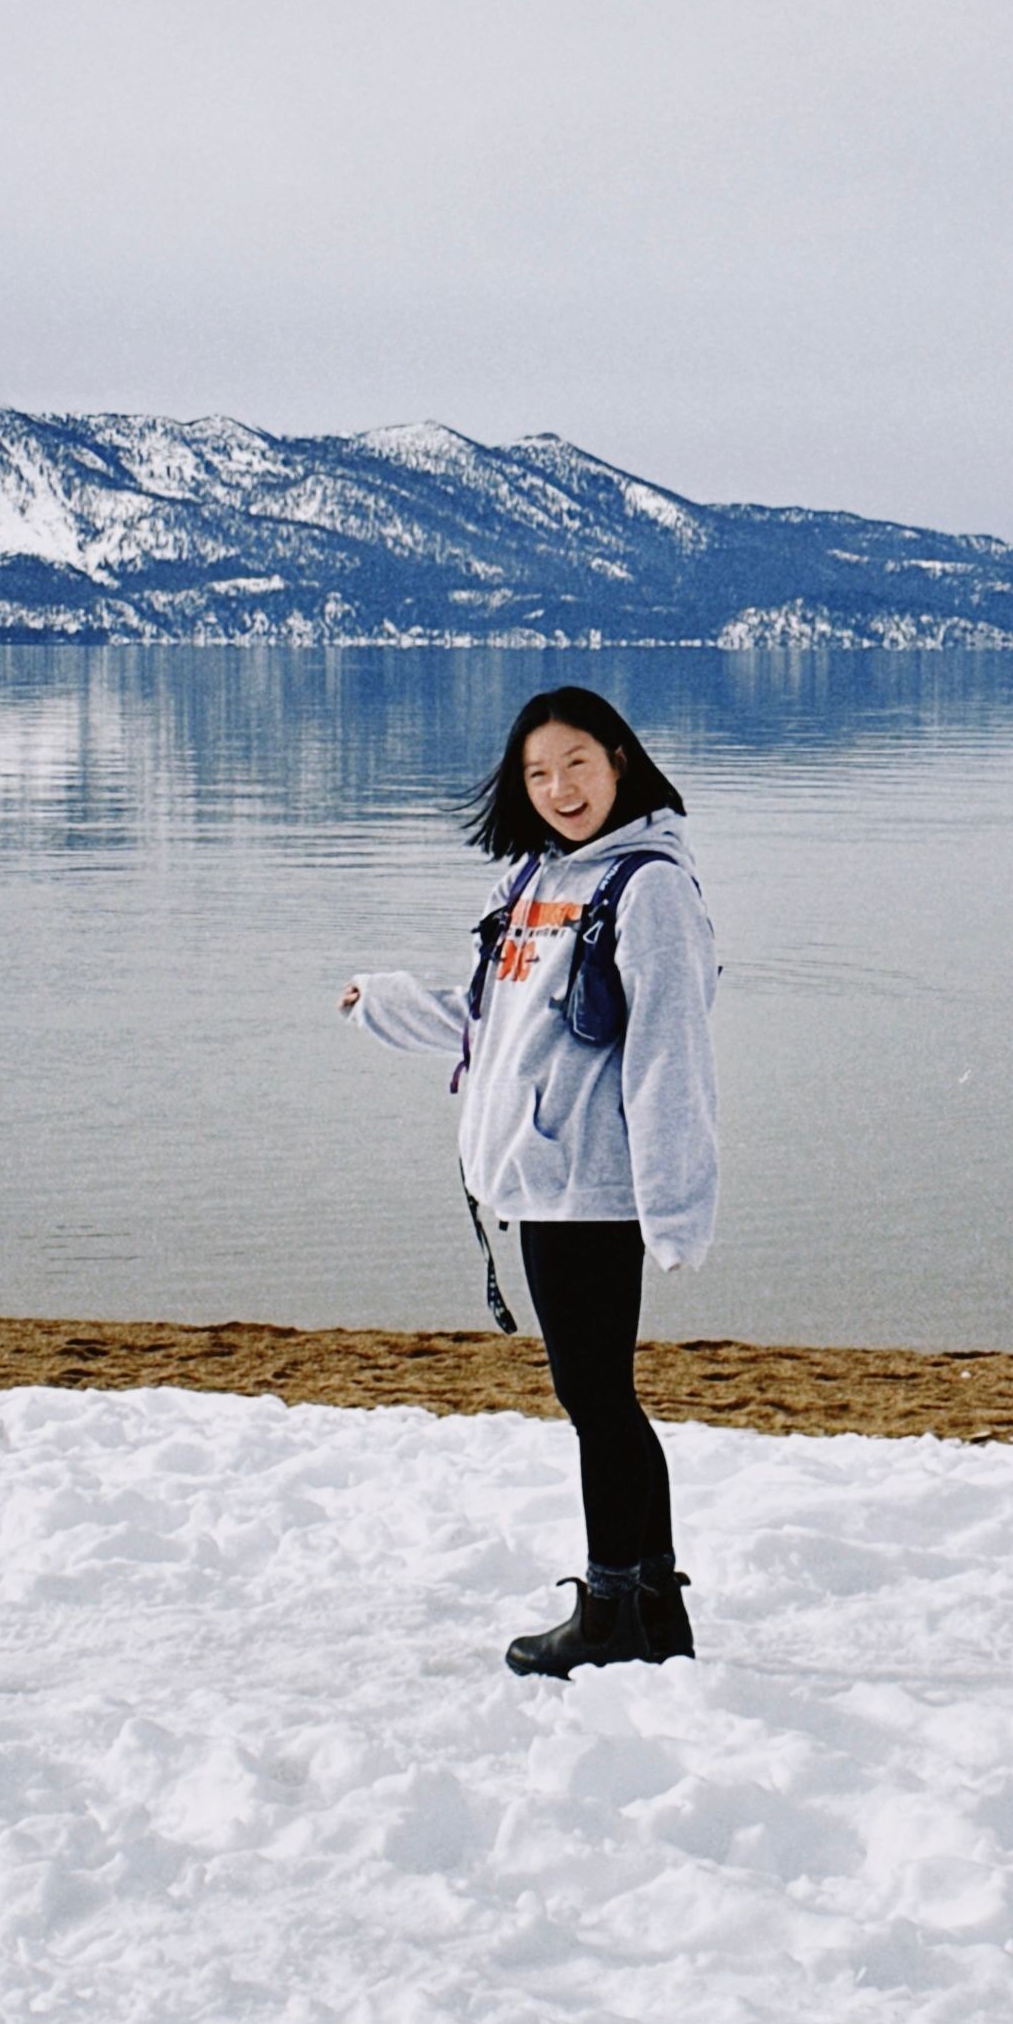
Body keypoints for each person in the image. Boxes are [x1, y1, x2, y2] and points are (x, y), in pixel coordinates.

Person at [340, 686, 719, 1679]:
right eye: (538, 772)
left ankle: (608, 1612)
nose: (559, 788)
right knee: (606, 1398)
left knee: (595, 1399)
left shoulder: (648, 889)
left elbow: (670, 1054)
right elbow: (490, 1031)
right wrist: (383, 1002)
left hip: (590, 1186)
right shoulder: (534, 881)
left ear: (621, 761)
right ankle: (651, 1603)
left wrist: (674, 1201)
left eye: (577, 764)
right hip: (539, 1180)